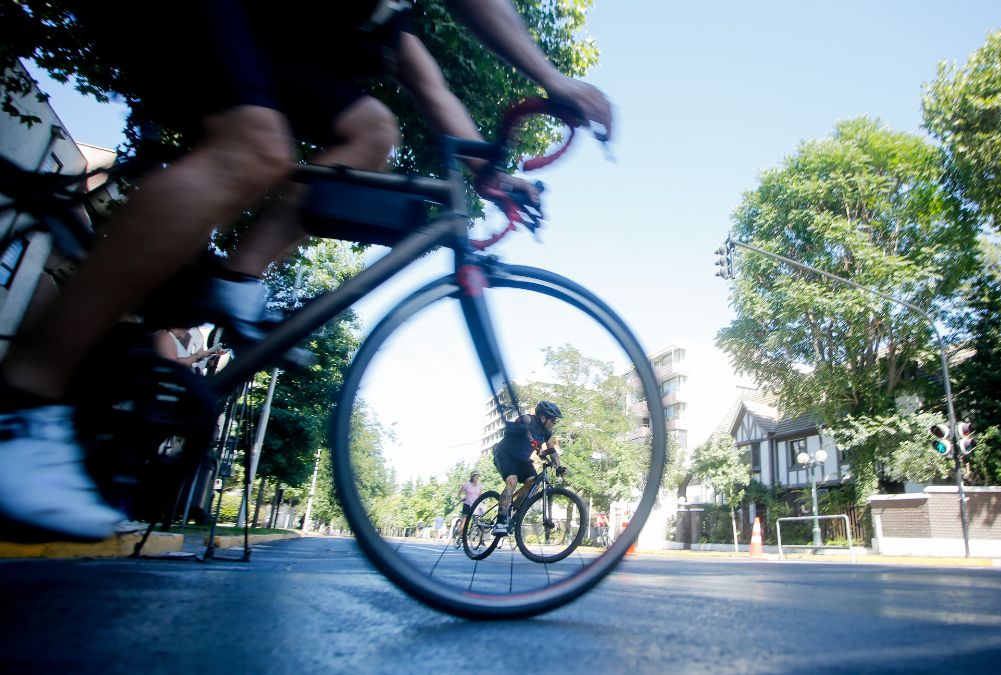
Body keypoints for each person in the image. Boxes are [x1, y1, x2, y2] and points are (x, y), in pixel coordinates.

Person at [0, 0, 612, 542]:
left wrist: (489, 173)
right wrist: (554, 80)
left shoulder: (387, 17)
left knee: (372, 132)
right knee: (254, 147)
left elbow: (434, 91)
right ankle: (23, 403)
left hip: (266, 38)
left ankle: (235, 281)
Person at [491, 400, 566, 535]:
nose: (554, 423)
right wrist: (529, 436)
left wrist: (559, 467)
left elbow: (552, 450)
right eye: (553, 420)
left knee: (534, 484)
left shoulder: (547, 434)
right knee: (512, 481)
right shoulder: (529, 419)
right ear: (543, 417)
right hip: (504, 454)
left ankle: (513, 510)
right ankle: (500, 522)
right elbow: (520, 420)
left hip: (522, 460)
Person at [456, 470, 484, 543]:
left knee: (476, 521)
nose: (477, 478)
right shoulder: (466, 484)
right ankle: (459, 537)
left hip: (475, 505)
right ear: (472, 477)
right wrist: (461, 498)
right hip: (467, 504)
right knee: (465, 522)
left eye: (478, 477)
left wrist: (482, 504)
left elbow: (480, 496)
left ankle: (475, 536)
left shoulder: (480, 486)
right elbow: (459, 494)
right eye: (475, 477)